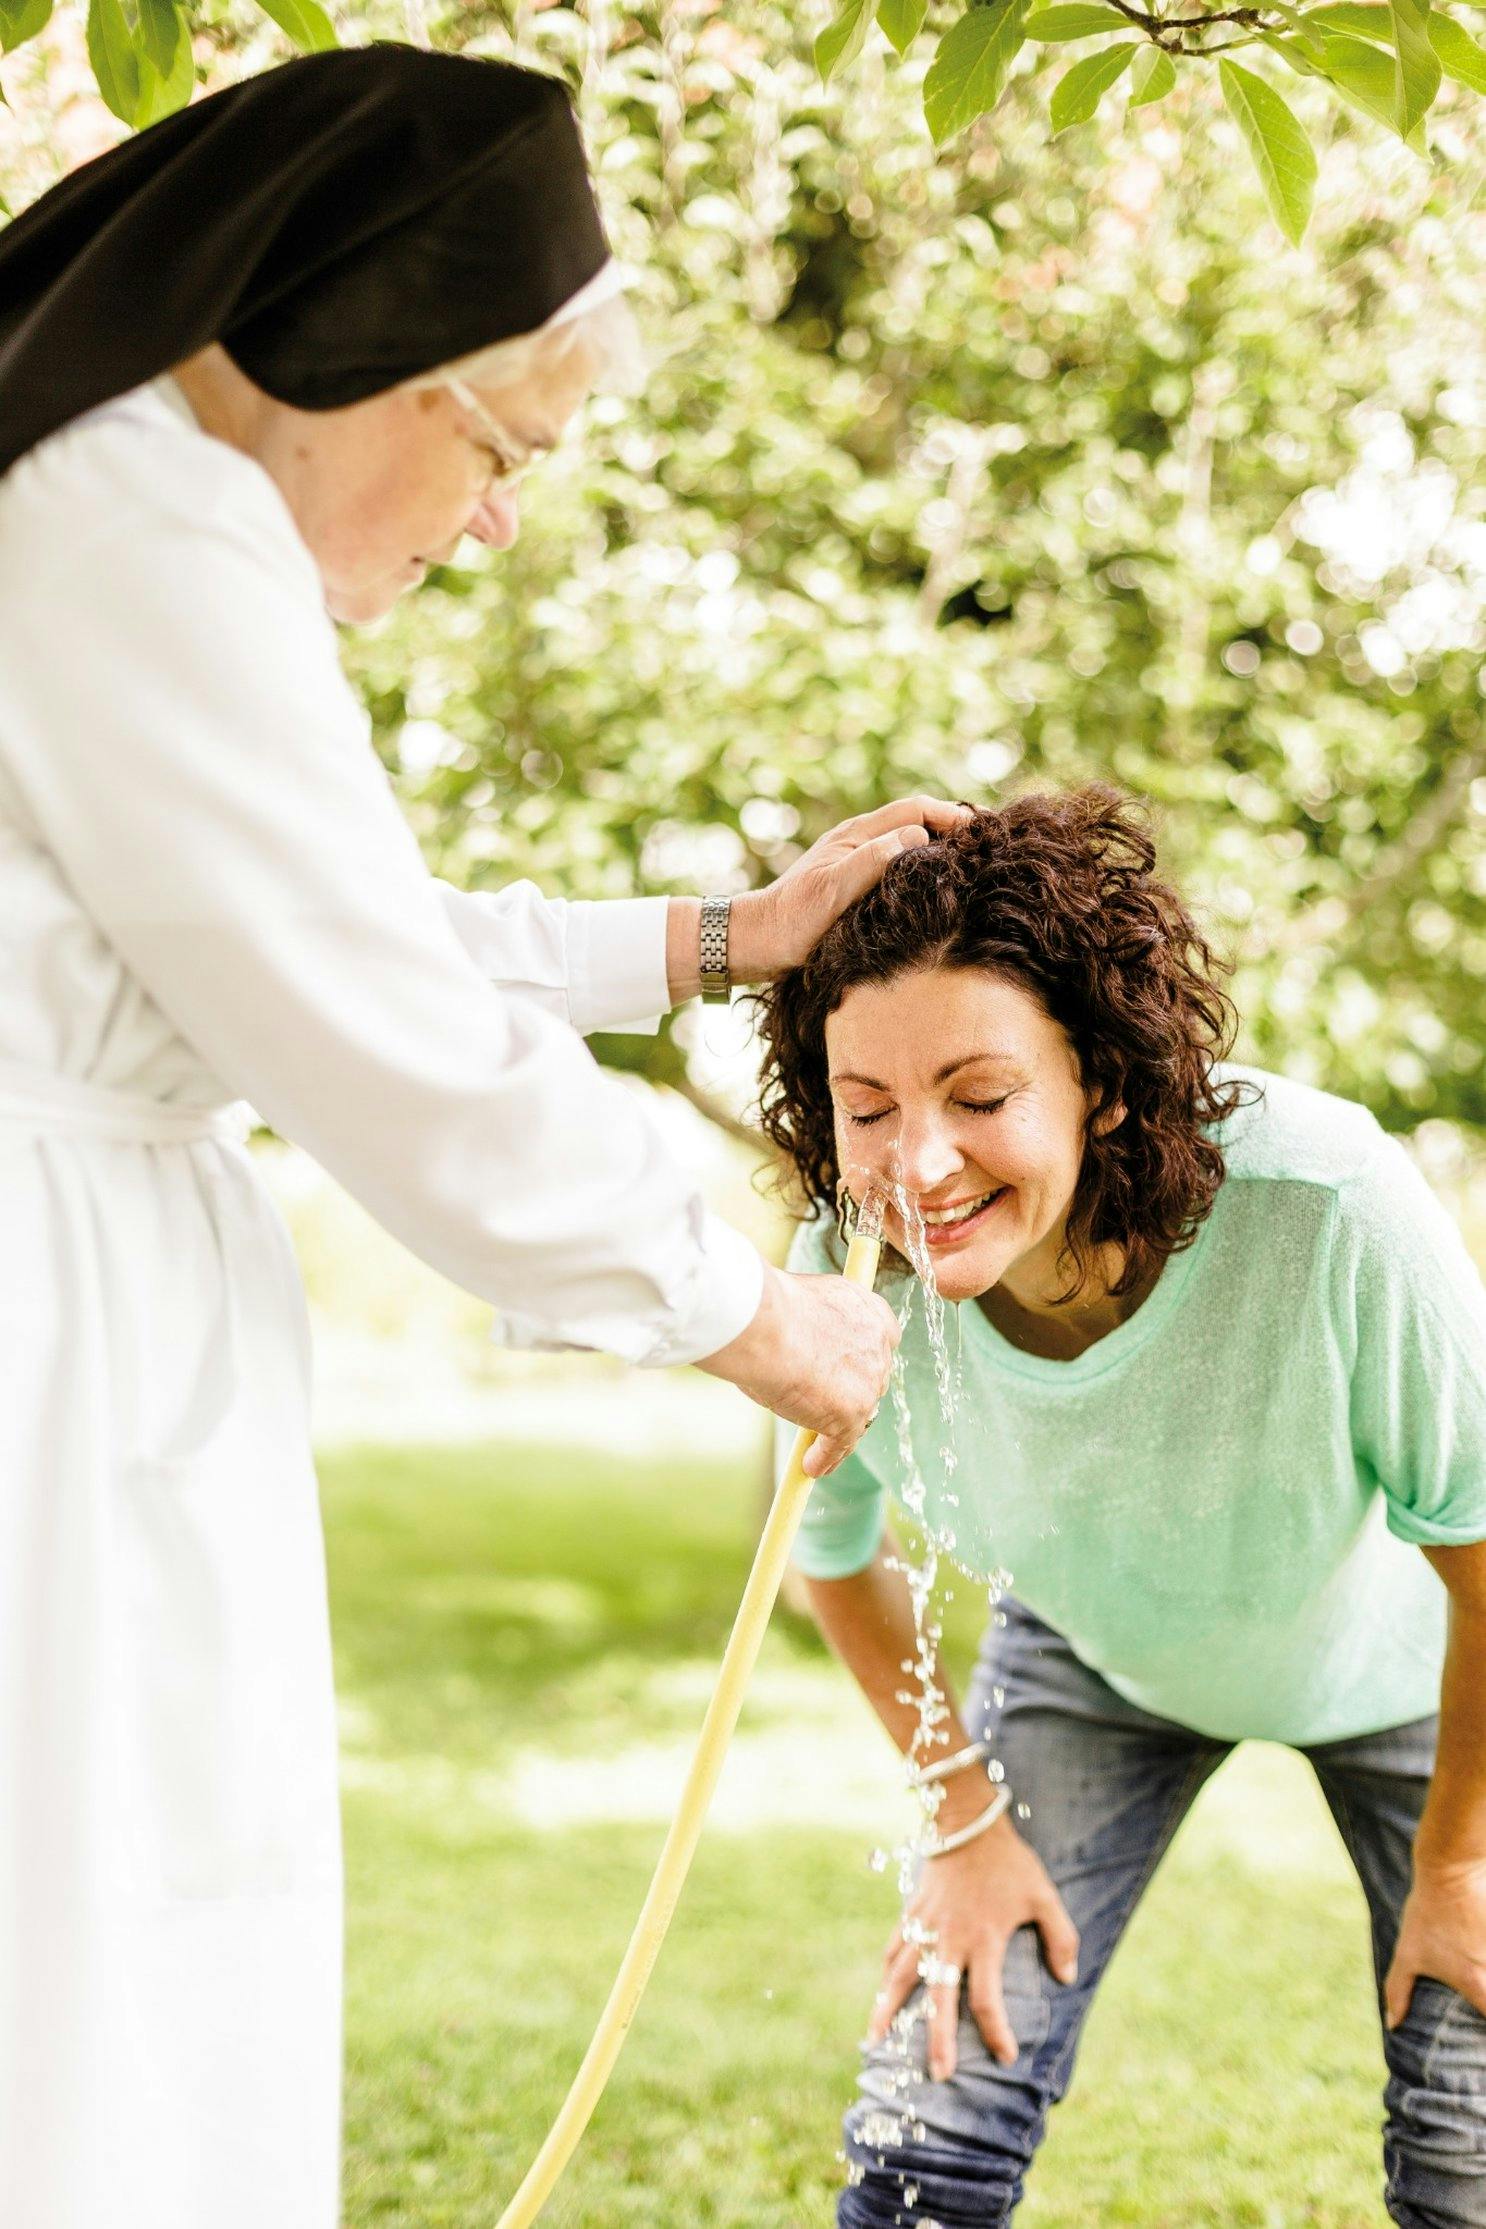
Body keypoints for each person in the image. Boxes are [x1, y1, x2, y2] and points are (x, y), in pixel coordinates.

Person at [0, 45, 952, 2229]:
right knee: (82, 1952)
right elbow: (367, 1028)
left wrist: (722, 936)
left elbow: (289, 929)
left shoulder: (124, 506)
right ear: (382, 371)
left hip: (84, 1299)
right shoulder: (129, 526)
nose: (500, 519)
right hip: (38, 1346)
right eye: (509, 449)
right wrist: (743, 1310)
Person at [757, 785, 1486, 2227]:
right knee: (926, 2131)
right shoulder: (849, 1286)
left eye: (979, 1096)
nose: (917, 1164)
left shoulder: (1328, 1205)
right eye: (866, 1106)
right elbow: (827, 1560)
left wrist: (1459, 1860)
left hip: (1416, 1674)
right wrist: (961, 1818)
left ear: (1097, 1076)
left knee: (1465, 2152)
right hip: (1094, 1661)